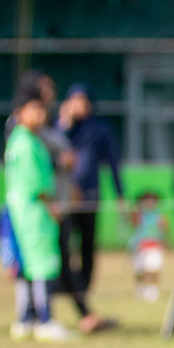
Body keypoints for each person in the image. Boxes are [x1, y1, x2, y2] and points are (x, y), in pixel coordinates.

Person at [4, 86, 76, 342]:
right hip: (34, 212)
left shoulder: (25, 140)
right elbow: (38, 184)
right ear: (19, 113)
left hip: (24, 212)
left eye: (41, 109)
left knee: (28, 266)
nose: (39, 114)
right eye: (32, 109)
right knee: (43, 264)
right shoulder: (26, 143)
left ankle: (26, 319)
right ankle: (45, 319)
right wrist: (52, 206)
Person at [57, 83, 124, 327]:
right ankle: (75, 297)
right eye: (74, 100)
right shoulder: (60, 129)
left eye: (83, 100)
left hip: (90, 197)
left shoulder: (100, 130)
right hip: (65, 199)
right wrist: (64, 124)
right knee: (64, 248)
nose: (79, 106)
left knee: (87, 248)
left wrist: (120, 193)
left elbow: (113, 162)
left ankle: (82, 293)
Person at [127, 190, 170, 301]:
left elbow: (164, 229)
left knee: (154, 268)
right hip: (141, 246)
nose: (150, 203)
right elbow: (133, 222)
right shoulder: (140, 214)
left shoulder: (159, 216)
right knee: (140, 270)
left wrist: (166, 241)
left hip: (155, 245)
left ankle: (152, 290)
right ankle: (140, 288)